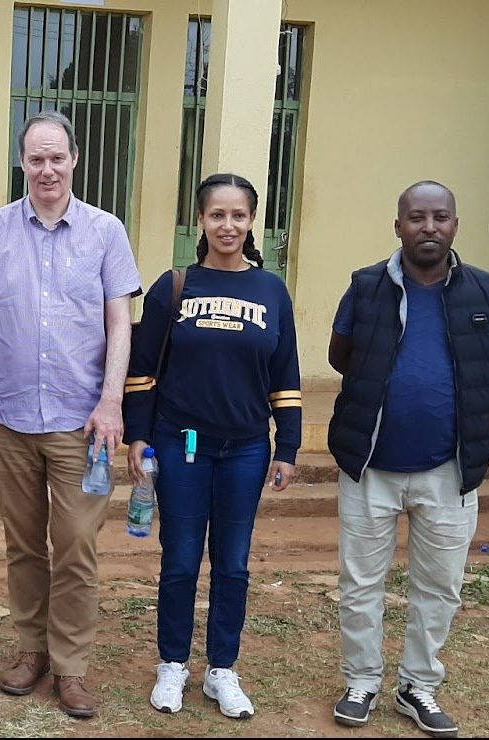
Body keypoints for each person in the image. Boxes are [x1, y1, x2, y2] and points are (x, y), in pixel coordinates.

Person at [0, 110, 142, 718]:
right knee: (24, 544)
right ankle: (31, 648)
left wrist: (113, 402)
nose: (47, 168)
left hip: (83, 423)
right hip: (5, 417)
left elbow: (119, 324)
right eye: (36, 158)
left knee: (78, 546)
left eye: (57, 157)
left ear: (75, 160)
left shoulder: (107, 232)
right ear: (22, 162)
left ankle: (73, 666)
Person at [327, 181, 489, 738]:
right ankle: (361, 678)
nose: (428, 227)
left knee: (440, 586)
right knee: (361, 583)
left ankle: (418, 686)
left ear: (455, 224)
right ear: (399, 226)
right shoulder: (365, 287)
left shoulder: (483, 288)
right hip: (370, 467)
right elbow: (341, 356)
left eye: (440, 217)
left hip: (449, 471)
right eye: (416, 217)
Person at [123, 173, 302, 720]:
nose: (228, 225)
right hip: (183, 445)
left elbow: (286, 374)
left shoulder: (271, 291)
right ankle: (172, 665)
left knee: (233, 564)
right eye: (217, 215)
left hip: (246, 449)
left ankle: (222, 669)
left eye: (239, 216)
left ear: (253, 223)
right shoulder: (174, 286)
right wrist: (138, 435)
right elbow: (141, 370)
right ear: (199, 220)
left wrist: (287, 446)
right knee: (179, 560)